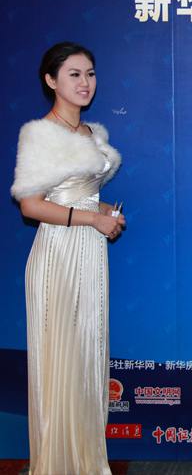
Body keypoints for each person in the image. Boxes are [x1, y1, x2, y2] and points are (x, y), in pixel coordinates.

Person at [10, 42, 124, 475]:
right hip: (58, 256)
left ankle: (86, 461)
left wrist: (105, 212)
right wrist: (92, 219)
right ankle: (58, 463)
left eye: (90, 73)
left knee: (88, 357)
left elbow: (79, 196)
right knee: (60, 362)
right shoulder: (39, 133)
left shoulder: (92, 133)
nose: (85, 82)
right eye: (74, 74)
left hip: (90, 256)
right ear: (51, 80)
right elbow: (31, 205)